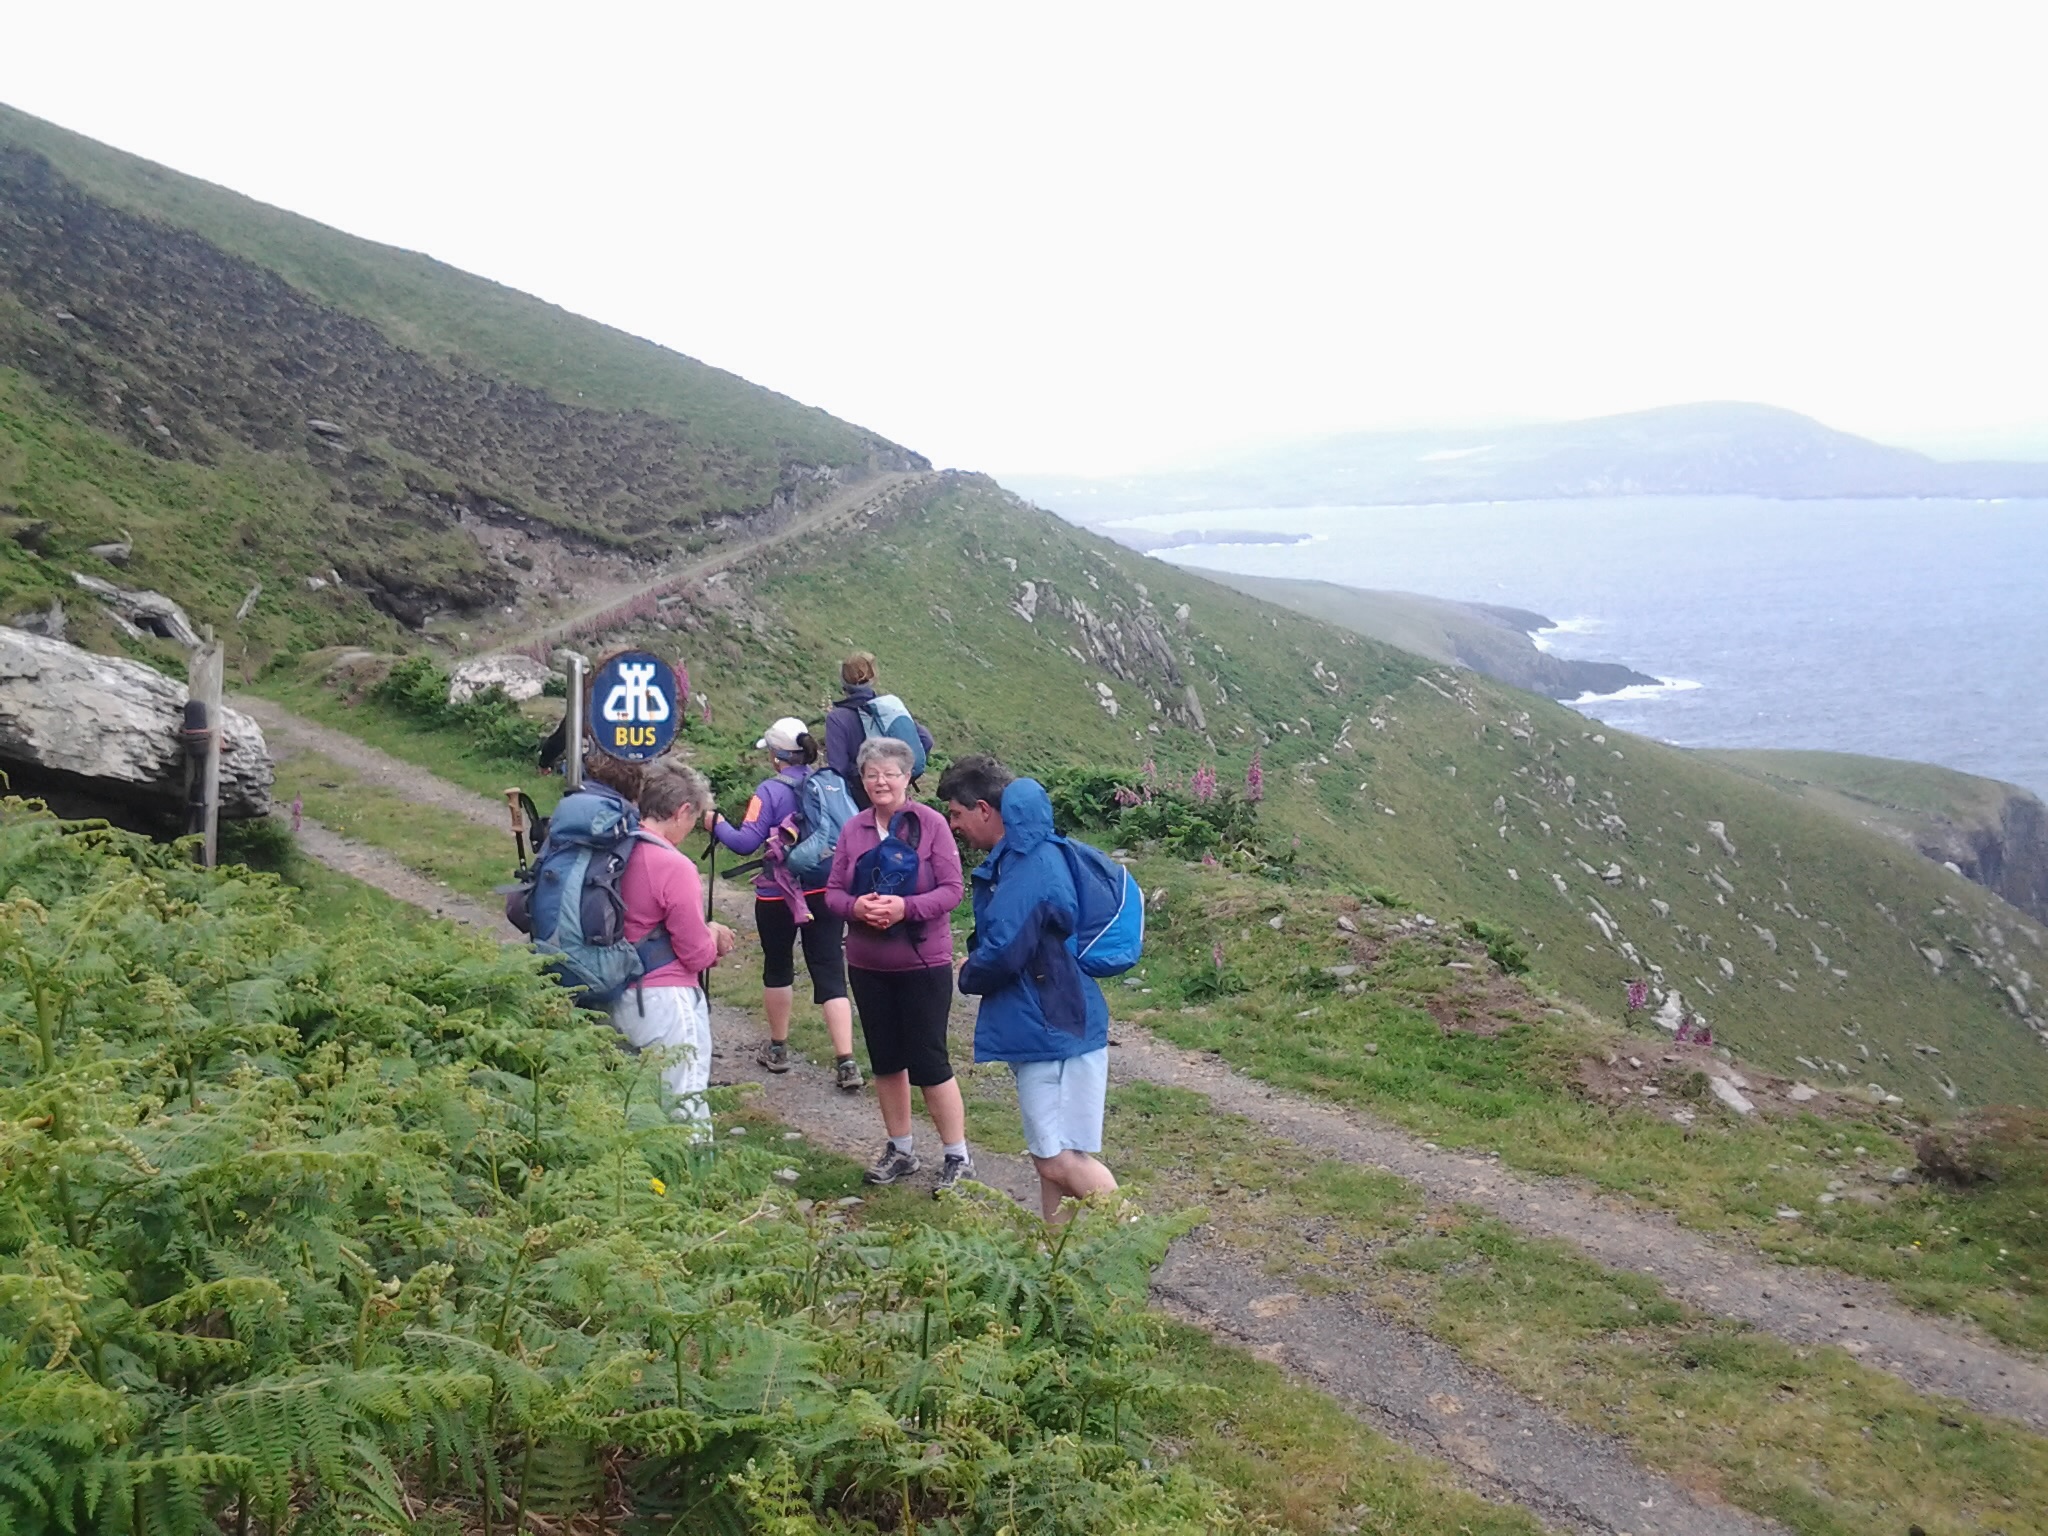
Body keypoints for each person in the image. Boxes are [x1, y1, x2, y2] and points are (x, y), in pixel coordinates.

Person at [939, 753, 1118, 1223]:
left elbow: (1005, 949)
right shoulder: (1036, 852)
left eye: (956, 815)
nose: (953, 826)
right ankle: (1051, 1262)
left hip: (1051, 1022)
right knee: (1054, 1157)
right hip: (1059, 1016)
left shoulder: (1027, 863)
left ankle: (1135, 1236)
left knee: (1057, 1159)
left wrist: (968, 971)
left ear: (983, 808)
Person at [825, 735, 972, 1194]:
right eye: (872, 774)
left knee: (929, 1060)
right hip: (868, 963)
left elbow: (952, 890)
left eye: (890, 773)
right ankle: (901, 1149)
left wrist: (904, 909)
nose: (881, 782)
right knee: (886, 1060)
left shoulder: (931, 826)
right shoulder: (854, 830)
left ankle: (957, 1156)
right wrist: (857, 909)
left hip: (922, 962)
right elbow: (832, 893)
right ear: (862, 780)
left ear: (908, 778)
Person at [708, 716, 862, 1089]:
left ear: (777, 755)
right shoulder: (828, 783)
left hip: (778, 893)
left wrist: (713, 823)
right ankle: (847, 1061)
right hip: (823, 890)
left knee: (778, 968)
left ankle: (777, 1049)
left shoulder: (769, 791)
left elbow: (745, 842)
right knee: (829, 970)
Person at [600, 756, 736, 1137]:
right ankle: (694, 1186)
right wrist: (714, 935)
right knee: (685, 1100)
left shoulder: (615, 848)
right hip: (666, 998)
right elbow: (696, 953)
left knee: (636, 1102)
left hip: (619, 991)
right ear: (683, 810)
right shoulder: (672, 865)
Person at [826, 651, 934, 810]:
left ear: (843, 681)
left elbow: (838, 769)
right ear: (873, 677)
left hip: (859, 804)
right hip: (895, 800)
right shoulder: (887, 709)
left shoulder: (837, 718)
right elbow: (926, 740)